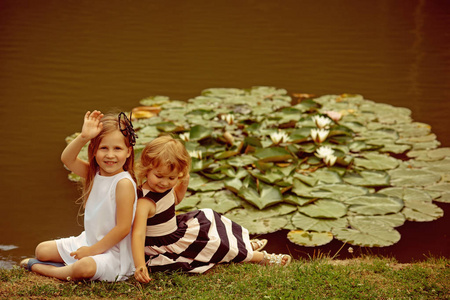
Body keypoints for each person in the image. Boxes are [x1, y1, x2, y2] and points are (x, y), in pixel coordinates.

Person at [132, 135, 291, 283]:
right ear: (147, 168)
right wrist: (140, 264)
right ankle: (259, 257)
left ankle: (240, 245)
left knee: (209, 216)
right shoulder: (145, 202)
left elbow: (174, 201)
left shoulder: (162, 187)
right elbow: (138, 234)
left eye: (171, 178)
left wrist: (183, 183)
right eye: (159, 176)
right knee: (210, 245)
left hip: (175, 231)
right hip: (164, 244)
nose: (165, 183)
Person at [20, 110, 138, 282]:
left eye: (117, 148)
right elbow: (67, 159)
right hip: (88, 241)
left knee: (84, 268)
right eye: (104, 148)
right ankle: (66, 266)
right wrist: (83, 137)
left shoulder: (123, 183)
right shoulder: (94, 173)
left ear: (128, 151)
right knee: (42, 250)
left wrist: (91, 252)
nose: (110, 155)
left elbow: (123, 228)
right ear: (94, 150)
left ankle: (44, 269)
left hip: (113, 253)